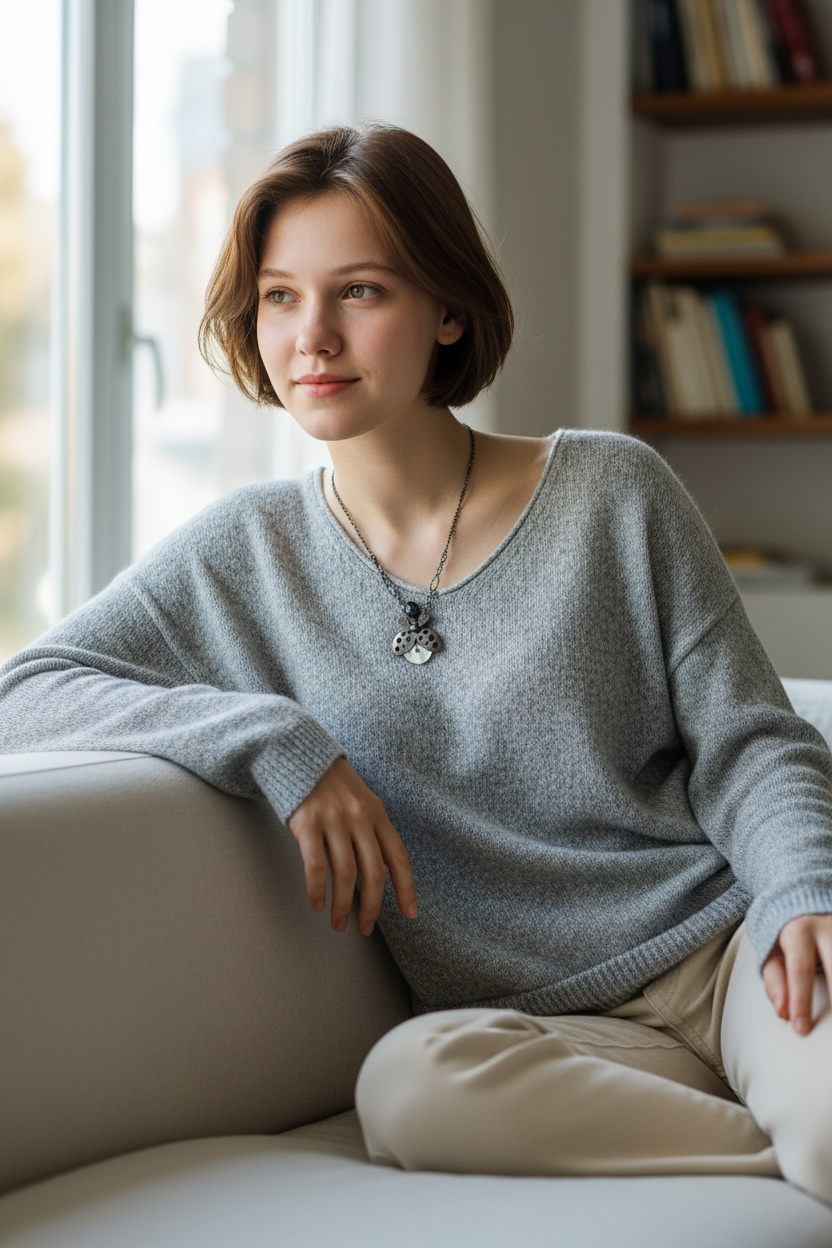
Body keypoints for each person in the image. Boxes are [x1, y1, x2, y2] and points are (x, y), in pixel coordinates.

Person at [2, 122, 832, 1200]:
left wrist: (804, 891)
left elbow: (748, 741)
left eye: (359, 292)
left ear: (447, 307)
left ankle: (796, 1133)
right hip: (538, 1028)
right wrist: (272, 739)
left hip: (730, 954)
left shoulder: (610, 493)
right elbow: (26, 691)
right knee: (408, 1088)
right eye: (280, 298)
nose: (313, 338)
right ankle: (775, 1148)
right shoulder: (244, 554)